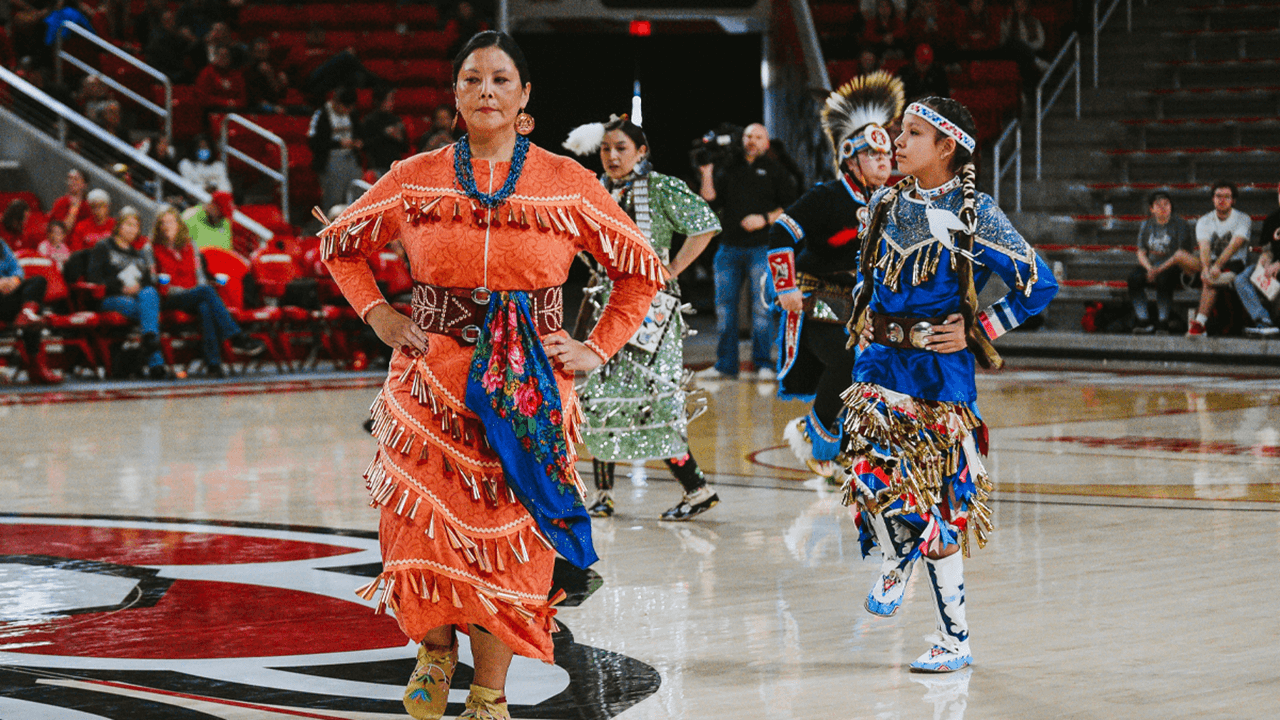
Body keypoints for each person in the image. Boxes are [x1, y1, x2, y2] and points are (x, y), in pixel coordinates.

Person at [318, 31, 660, 720]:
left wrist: (595, 347)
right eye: (472, 79)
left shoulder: (568, 181)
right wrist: (380, 315)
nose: (486, 91)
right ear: (454, 94)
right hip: (429, 381)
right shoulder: (416, 175)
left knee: (508, 538)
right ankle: (435, 649)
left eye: (501, 79)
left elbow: (639, 269)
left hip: (528, 388)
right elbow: (341, 245)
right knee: (420, 525)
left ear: (525, 96)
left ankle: (488, 694)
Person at [842, 97, 1057, 672]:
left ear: (946, 148)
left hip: (940, 374)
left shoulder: (976, 213)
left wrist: (979, 326)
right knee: (866, 471)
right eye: (897, 132)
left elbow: (1039, 285)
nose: (897, 143)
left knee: (943, 510)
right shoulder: (883, 203)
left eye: (912, 134)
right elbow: (867, 276)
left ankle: (953, 639)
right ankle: (900, 554)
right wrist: (864, 318)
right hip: (880, 367)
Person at [563, 114, 722, 521]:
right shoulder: (593, 191)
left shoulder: (661, 187)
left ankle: (697, 489)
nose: (612, 156)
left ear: (642, 152)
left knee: (654, 398)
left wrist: (670, 270)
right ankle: (602, 495)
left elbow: (704, 226)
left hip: (652, 311)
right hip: (604, 304)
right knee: (600, 395)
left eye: (621, 149)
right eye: (606, 149)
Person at [768, 72, 903, 485]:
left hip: (858, 302)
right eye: (874, 156)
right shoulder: (828, 196)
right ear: (850, 158)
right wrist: (785, 286)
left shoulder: (888, 203)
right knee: (849, 359)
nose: (885, 163)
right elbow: (781, 232)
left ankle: (851, 449)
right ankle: (817, 434)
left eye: (887, 157)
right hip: (815, 298)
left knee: (878, 370)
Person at [697, 122, 798, 379]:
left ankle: (763, 364)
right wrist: (707, 172)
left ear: (766, 143)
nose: (751, 140)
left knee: (762, 309)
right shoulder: (728, 168)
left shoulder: (776, 170)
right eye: (748, 136)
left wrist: (763, 219)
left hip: (762, 248)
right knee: (724, 309)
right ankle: (725, 366)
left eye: (758, 137)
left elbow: (790, 207)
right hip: (728, 247)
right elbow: (709, 199)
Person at [151, 206, 265, 376]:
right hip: (168, 296)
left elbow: (200, 276)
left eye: (171, 222)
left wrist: (194, 291)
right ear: (158, 227)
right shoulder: (152, 249)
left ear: (179, 225)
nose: (167, 226)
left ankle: (214, 365)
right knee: (205, 292)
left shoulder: (191, 247)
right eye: (163, 223)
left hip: (194, 295)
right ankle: (236, 337)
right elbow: (153, 280)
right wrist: (188, 291)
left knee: (205, 306)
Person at [87, 206, 169, 379]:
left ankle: (149, 343)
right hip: (110, 298)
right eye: (128, 224)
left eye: (136, 226)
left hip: (137, 298)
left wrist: (139, 287)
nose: (132, 229)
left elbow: (147, 281)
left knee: (149, 293)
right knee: (148, 311)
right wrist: (120, 287)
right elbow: (94, 278)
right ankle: (155, 358)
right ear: (119, 226)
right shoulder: (104, 246)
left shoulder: (137, 254)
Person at [1128, 191, 1199, 334]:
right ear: (1151, 209)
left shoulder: (1180, 224)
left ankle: (1163, 322)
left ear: (1171, 207)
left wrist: (1158, 270)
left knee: (1164, 278)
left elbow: (1181, 256)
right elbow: (1141, 252)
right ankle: (1143, 321)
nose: (1163, 207)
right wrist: (1149, 269)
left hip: (1174, 266)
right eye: (1158, 205)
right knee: (1133, 278)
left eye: (1166, 204)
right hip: (1152, 266)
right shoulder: (1146, 225)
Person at [1189, 181, 1251, 337]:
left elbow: (1233, 247)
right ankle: (1200, 324)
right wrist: (1206, 268)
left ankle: (1199, 323)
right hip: (1212, 264)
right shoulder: (1204, 220)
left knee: (1210, 280)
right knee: (1208, 276)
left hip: (1235, 266)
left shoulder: (1243, 218)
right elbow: (1204, 248)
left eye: (1227, 197)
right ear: (1212, 199)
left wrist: (1215, 267)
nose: (1222, 200)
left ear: (1233, 200)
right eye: (1218, 196)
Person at [0, 231, 63, 383]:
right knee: (36, 308)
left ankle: (27, 313)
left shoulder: (0, 244)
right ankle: (36, 366)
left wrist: (14, 280)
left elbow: (16, 269)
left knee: (38, 282)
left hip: (5, 297)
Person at [1234, 183, 1280, 337]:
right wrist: (1265, 262)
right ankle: (1264, 320)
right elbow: (1267, 250)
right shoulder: (1273, 219)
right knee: (1241, 278)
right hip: (1274, 268)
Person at [308, 86, 364, 212]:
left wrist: (358, 142)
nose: (347, 111)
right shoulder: (321, 114)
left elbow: (359, 132)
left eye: (350, 108)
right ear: (336, 102)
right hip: (331, 161)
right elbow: (314, 142)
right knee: (334, 201)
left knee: (356, 197)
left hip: (351, 159)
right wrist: (338, 144)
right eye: (345, 107)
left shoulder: (352, 114)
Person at [361, 86, 410, 176]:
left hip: (395, 167)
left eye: (393, 100)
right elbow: (365, 145)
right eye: (389, 100)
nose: (392, 103)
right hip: (377, 166)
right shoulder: (369, 120)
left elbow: (405, 148)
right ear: (380, 101)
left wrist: (399, 138)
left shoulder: (396, 120)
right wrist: (385, 134)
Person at [195, 45, 246, 116]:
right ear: (215, 57)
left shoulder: (236, 75)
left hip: (235, 110)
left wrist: (235, 103)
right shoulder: (207, 72)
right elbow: (203, 97)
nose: (223, 59)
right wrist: (225, 102)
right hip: (212, 111)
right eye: (221, 56)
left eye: (226, 56)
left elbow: (243, 97)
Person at [70, 188, 116, 253]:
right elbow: (76, 252)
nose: (97, 210)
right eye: (93, 207)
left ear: (107, 207)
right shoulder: (81, 226)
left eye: (100, 206)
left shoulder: (116, 225)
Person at [51, 169, 91, 234]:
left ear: (84, 184)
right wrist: (74, 208)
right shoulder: (60, 202)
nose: (71, 181)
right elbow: (63, 231)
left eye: (76, 179)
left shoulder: (88, 206)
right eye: (69, 179)